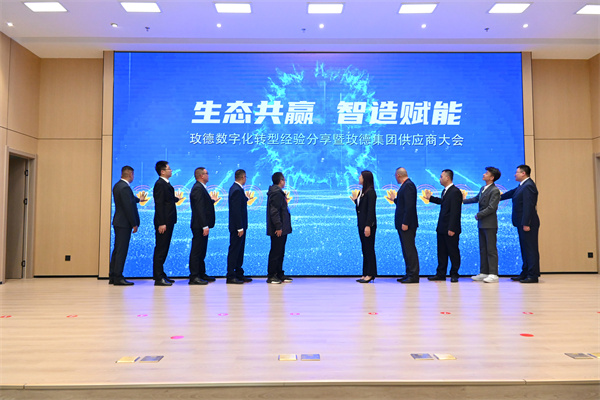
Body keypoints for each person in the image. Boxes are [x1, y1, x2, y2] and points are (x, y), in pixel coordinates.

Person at [499, 164, 540, 283]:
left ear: (523, 173)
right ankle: (525, 272)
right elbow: (511, 193)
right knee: (525, 249)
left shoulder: (528, 186)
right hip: (522, 223)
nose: (514, 175)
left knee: (530, 249)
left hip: (528, 223)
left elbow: (529, 206)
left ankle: (533, 275)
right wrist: (497, 196)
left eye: (516, 172)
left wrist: (526, 223)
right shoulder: (522, 185)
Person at [463, 167, 502, 283]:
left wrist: (479, 215)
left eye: (486, 173)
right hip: (482, 224)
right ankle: (484, 272)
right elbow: (476, 198)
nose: (484, 174)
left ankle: (493, 274)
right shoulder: (483, 188)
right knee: (483, 249)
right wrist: (462, 200)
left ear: (492, 177)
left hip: (489, 224)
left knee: (491, 250)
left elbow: (492, 207)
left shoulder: (495, 190)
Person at [424, 169, 462, 282]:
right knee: (441, 252)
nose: (439, 179)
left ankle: (454, 274)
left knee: (453, 251)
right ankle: (441, 274)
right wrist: (431, 198)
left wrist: (452, 228)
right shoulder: (445, 191)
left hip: (450, 229)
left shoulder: (455, 191)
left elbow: (455, 211)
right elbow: (444, 202)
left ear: (447, 178)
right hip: (442, 227)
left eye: (441, 176)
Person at [109, 165, 140, 286]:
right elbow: (128, 207)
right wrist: (134, 223)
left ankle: (113, 275)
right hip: (124, 223)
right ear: (131, 174)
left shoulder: (118, 185)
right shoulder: (125, 187)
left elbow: (129, 199)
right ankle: (118, 277)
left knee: (117, 249)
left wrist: (139, 200)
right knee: (121, 250)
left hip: (118, 222)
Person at [388, 167, 420, 283]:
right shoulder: (405, 186)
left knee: (409, 249)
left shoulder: (408, 185)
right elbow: (403, 204)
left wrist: (405, 222)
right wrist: (395, 200)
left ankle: (413, 275)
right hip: (403, 224)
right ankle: (409, 273)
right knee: (406, 249)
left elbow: (409, 206)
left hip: (407, 224)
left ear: (398, 175)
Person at [188, 167, 218, 285]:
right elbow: (199, 208)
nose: (208, 175)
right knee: (197, 251)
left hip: (202, 225)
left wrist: (212, 201)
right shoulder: (197, 188)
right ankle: (194, 276)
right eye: (206, 173)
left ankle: (201, 273)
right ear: (201, 175)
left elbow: (204, 205)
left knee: (202, 251)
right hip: (199, 225)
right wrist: (204, 225)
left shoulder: (201, 188)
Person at [152, 161, 179, 286]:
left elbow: (167, 200)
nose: (171, 170)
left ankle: (161, 273)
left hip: (169, 221)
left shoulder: (166, 184)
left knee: (164, 248)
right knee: (161, 249)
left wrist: (175, 199)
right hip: (164, 222)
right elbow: (159, 204)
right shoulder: (160, 184)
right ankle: (158, 277)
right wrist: (161, 223)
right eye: (169, 169)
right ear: (162, 171)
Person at [351, 170, 377, 283]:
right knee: (365, 249)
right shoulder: (363, 191)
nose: (359, 177)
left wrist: (368, 225)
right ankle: (365, 273)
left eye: (361, 176)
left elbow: (371, 211)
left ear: (365, 178)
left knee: (369, 249)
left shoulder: (371, 192)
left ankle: (371, 273)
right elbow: (361, 208)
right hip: (361, 224)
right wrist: (356, 201)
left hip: (368, 225)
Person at [266, 172, 293, 284]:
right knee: (276, 251)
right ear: (281, 181)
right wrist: (278, 226)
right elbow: (274, 211)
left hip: (282, 228)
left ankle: (279, 273)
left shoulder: (278, 192)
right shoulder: (276, 193)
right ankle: (272, 275)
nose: (285, 182)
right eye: (284, 180)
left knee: (280, 251)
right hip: (278, 229)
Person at [226, 169, 252, 284]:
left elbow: (239, 204)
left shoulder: (237, 189)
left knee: (239, 250)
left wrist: (246, 199)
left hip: (240, 226)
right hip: (238, 227)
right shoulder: (236, 190)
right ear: (243, 177)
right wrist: (239, 227)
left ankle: (238, 273)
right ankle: (231, 275)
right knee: (235, 250)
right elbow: (235, 210)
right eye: (245, 177)